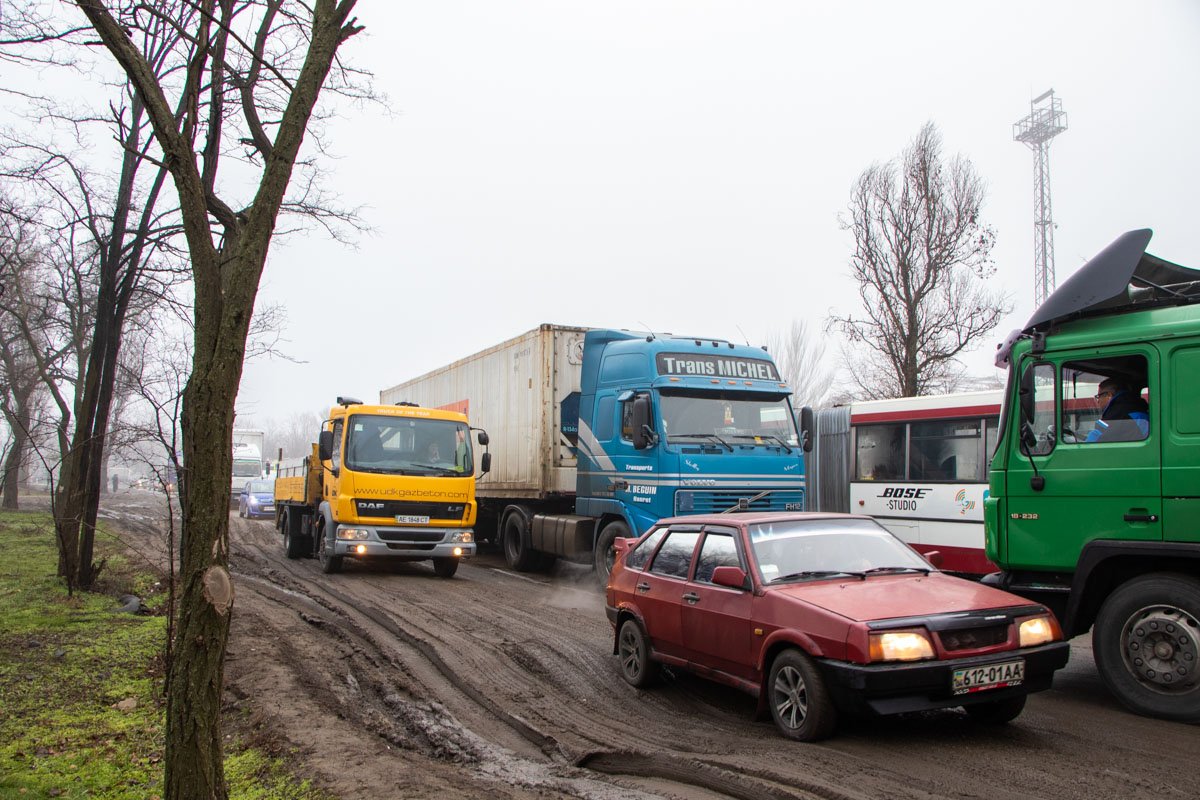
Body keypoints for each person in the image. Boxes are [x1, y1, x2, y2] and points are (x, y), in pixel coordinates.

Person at [1086, 378, 1149, 443]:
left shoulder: (1116, 414)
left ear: (1108, 395)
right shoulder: (1138, 408)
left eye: (1099, 396)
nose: (1098, 401)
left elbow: (1095, 438)